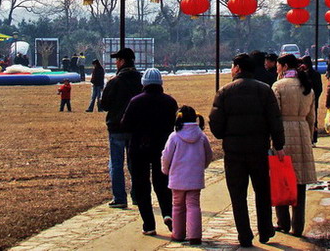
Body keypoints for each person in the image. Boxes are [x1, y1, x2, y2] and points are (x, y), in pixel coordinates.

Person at [209, 53, 285, 248]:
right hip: (259, 149)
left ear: (238, 68)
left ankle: (244, 235)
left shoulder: (224, 92)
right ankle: (266, 229)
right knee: (262, 191)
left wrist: (227, 133)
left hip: (234, 152)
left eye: (233, 66)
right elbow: (275, 121)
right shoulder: (265, 90)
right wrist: (279, 145)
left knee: (238, 195)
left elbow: (216, 127)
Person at [120, 68, 177, 236]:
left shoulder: (135, 101)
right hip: (162, 148)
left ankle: (149, 224)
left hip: (139, 147)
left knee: (141, 185)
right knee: (163, 184)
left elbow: (125, 125)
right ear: (161, 83)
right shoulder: (170, 102)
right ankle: (167, 213)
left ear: (143, 83)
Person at [271, 54, 317, 237]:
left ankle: (283, 222)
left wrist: (273, 138)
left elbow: (275, 115)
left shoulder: (278, 86)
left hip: (284, 133)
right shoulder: (307, 87)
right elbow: (311, 117)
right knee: (300, 181)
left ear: (283, 66)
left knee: (282, 178)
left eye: (278, 65)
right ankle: (298, 225)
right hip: (302, 131)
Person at [161, 105, 213, 245]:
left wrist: (165, 170)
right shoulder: (201, 136)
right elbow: (209, 155)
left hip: (177, 177)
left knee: (177, 206)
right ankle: (195, 235)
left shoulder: (174, 136)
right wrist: (202, 166)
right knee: (194, 205)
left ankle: (178, 233)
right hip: (195, 176)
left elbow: (166, 156)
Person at [100, 47, 143, 209]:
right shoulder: (140, 81)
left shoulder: (115, 82)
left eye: (117, 60)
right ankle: (138, 195)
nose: (116, 63)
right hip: (136, 128)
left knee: (116, 164)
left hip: (117, 127)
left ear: (123, 61)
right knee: (135, 163)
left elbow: (104, 105)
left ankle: (119, 198)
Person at [300, 55, 323, 145]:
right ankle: (313, 138)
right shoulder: (316, 74)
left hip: (307, 99)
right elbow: (320, 88)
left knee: (308, 119)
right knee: (313, 119)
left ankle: (311, 138)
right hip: (313, 99)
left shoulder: (305, 75)